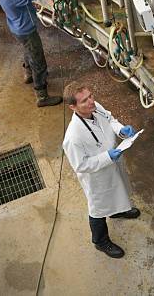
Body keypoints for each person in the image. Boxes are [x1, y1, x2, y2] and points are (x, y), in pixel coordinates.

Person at [62, 81, 141, 259]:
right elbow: (80, 165)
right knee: (98, 209)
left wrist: (122, 130)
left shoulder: (94, 107)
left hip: (113, 163)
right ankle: (100, 241)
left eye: (91, 96)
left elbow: (110, 120)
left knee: (118, 190)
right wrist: (107, 157)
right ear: (72, 107)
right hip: (97, 178)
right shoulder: (73, 137)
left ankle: (117, 210)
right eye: (84, 101)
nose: (91, 101)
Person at [0, 0, 62, 107]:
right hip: (26, 30)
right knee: (38, 60)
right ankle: (42, 96)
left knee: (28, 50)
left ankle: (28, 73)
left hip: (17, 28)